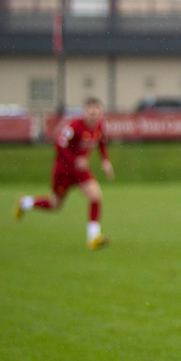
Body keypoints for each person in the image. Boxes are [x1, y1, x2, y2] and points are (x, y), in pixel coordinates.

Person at [14, 97, 113, 250]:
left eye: (97, 113)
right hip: (64, 171)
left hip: (80, 171)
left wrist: (105, 161)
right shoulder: (74, 126)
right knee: (55, 205)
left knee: (95, 196)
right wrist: (75, 160)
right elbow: (59, 144)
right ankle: (25, 203)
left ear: (101, 113)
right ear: (85, 112)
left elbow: (101, 142)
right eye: (91, 113)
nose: (94, 116)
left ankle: (93, 238)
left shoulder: (100, 125)